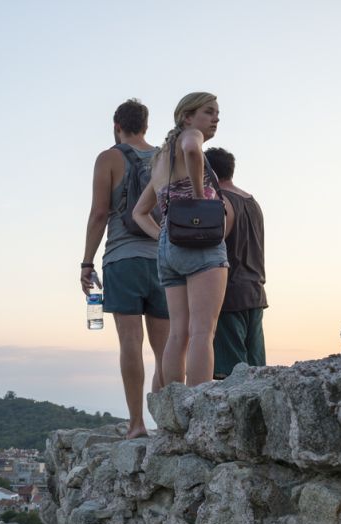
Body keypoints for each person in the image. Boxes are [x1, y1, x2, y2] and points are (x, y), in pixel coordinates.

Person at [80, 98, 169, 438]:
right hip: (163, 259)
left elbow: (99, 213)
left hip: (122, 258)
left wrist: (87, 262)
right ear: (146, 126)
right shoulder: (164, 157)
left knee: (130, 342)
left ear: (116, 126)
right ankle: (168, 423)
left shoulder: (108, 158)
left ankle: (136, 425)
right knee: (165, 348)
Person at [131, 92, 234, 386]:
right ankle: (198, 406)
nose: (215, 118)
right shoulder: (190, 136)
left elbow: (140, 212)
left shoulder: (161, 157)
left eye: (217, 112)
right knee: (203, 331)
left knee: (178, 333)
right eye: (208, 111)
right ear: (187, 117)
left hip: (170, 247)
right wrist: (200, 200)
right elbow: (191, 148)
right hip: (200, 241)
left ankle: (176, 405)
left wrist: (162, 234)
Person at [204, 147, 267, 378]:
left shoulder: (222, 203)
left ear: (207, 172)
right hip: (255, 293)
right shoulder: (251, 201)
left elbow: (213, 246)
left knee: (231, 376)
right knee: (257, 374)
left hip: (228, 295)